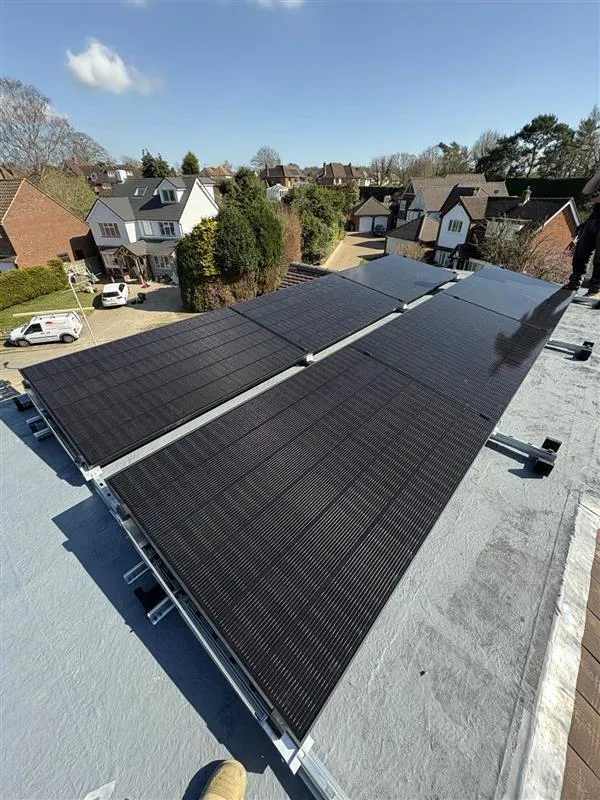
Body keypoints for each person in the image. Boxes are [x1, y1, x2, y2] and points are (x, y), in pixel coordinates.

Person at [565, 168, 600, 298]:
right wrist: (598, 175)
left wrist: (595, 197)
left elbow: (595, 198)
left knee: (599, 258)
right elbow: (587, 192)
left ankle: (596, 288)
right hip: (594, 218)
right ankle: (575, 281)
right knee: (582, 251)